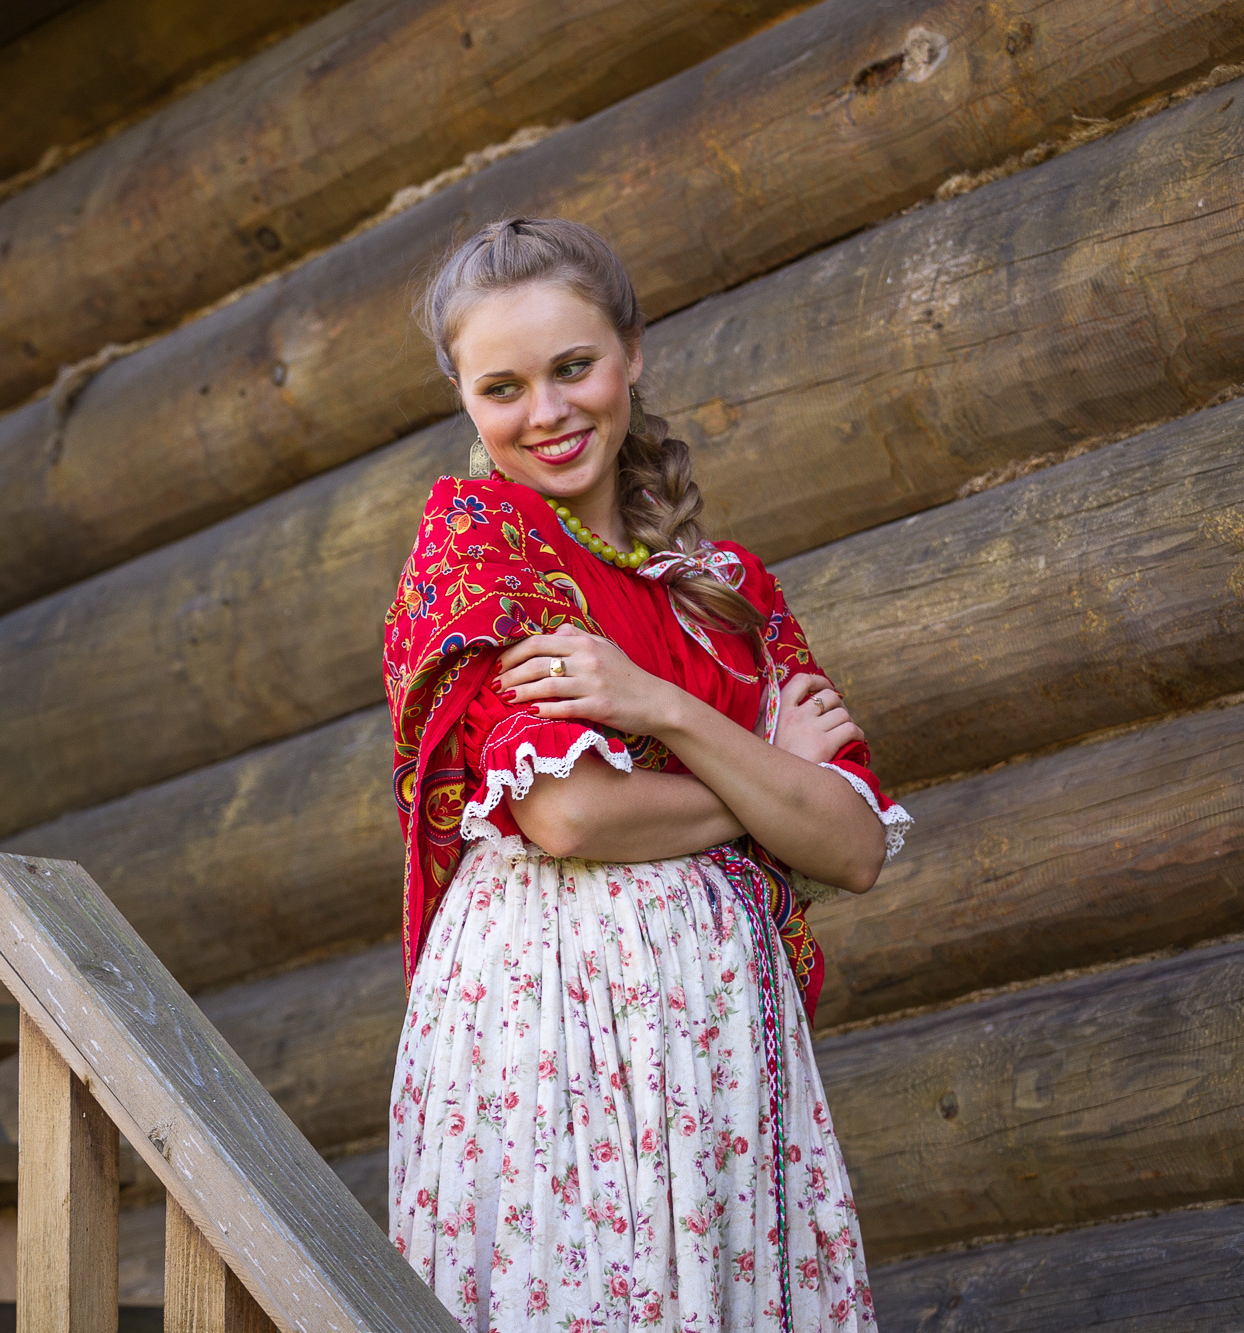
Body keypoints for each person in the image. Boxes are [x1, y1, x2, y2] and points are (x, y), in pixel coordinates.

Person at [382, 218, 909, 1332]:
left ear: (630, 350)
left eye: (572, 366)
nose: (547, 412)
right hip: (549, 1024)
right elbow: (568, 813)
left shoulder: (729, 590)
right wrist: (773, 785)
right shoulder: (480, 545)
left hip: (720, 1035)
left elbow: (853, 847)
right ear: (465, 401)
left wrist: (658, 704)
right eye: (502, 386)